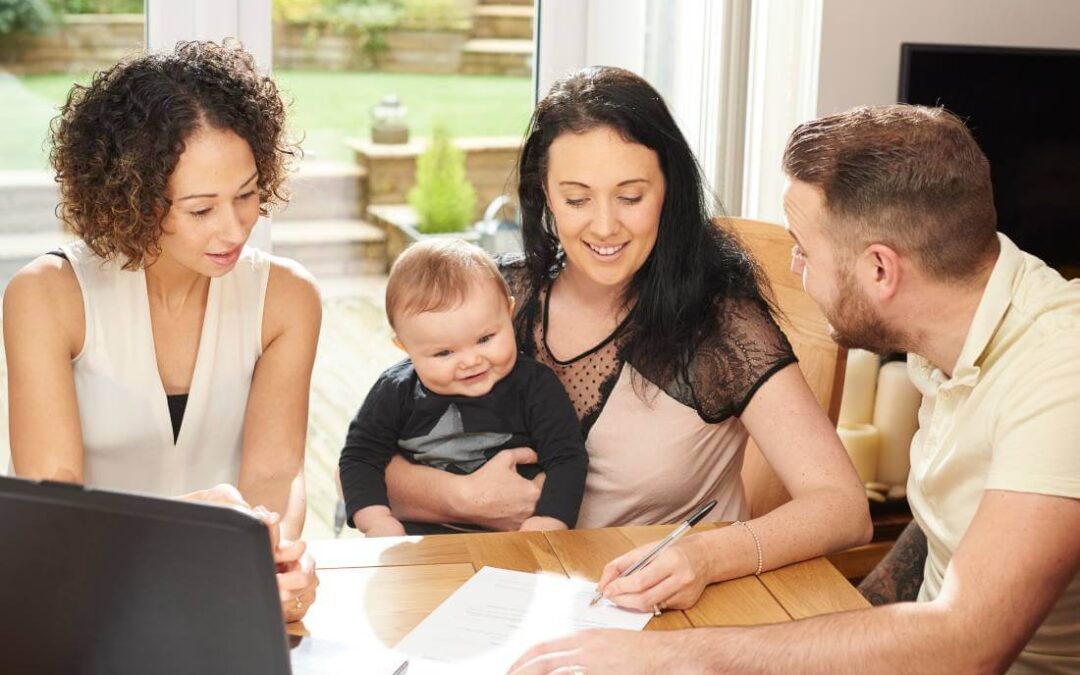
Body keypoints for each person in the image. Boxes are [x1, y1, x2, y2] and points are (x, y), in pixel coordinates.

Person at [510, 105, 1080, 674]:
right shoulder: (958, 329)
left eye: (803, 249)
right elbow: (948, 527)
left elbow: (965, 646)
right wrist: (857, 608)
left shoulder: (1060, 372)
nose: (793, 265)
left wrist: (676, 655)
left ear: (880, 270)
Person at [384, 66, 871, 613]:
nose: (605, 226)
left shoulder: (718, 325)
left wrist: (707, 556)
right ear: (543, 193)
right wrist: (463, 497)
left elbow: (843, 507)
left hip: (655, 618)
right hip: (503, 605)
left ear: (669, 190)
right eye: (576, 200)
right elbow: (370, 459)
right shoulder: (499, 300)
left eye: (631, 197)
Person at [2, 40, 321, 622]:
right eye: (201, 210)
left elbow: (275, 473)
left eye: (247, 195)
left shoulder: (287, 299)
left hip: (220, 596)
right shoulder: (47, 296)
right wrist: (188, 529)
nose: (234, 228)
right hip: (84, 601)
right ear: (133, 199)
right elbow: (57, 500)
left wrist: (273, 564)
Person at [338, 239, 588, 537]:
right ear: (405, 347)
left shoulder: (535, 386)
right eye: (444, 353)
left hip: (514, 539)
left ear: (508, 313)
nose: (470, 361)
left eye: (485, 339)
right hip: (419, 540)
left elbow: (568, 458)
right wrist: (376, 520)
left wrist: (549, 519)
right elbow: (359, 457)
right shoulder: (396, 391)